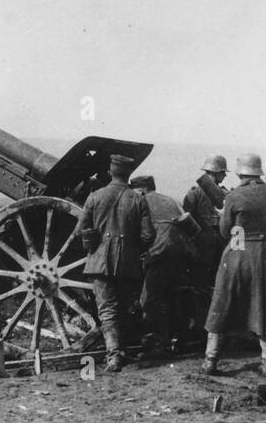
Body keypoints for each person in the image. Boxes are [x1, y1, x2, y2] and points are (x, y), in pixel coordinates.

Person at [202, 154, 266, 376]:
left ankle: (211, 359)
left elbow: (228, 232)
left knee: (221, 305)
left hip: (240, 255)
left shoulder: (235, 196)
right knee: (264, 308)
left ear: (240, 173)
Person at [77, 154, 155, 371]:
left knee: (107, 309)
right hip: (127, 264)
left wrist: (93, 241)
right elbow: (149, 235)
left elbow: (79, 231)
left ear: (110, 172)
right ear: (129, 174)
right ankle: (121, 351)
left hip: (99, 262)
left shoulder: (95, 196)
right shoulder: (138, 199)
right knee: (123, 308)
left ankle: (113, 356)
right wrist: (132, 249)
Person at [130, 174, 198, 358]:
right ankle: (181, 340)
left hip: (160, 252)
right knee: (176, 295)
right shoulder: (170, 200)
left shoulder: (141, 202)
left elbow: (138, 232)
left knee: (150, 300)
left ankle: (161, 346)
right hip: (183, 252)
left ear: (142, 190)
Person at [184, 156, 230, 340]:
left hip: (214, 242)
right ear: (216, 172)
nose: (224, 177)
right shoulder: (196, 192)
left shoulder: (219, 192)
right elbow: (187, 218)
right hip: (204, 243)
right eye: (222, 173)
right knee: (202, 285)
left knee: (208, 284)